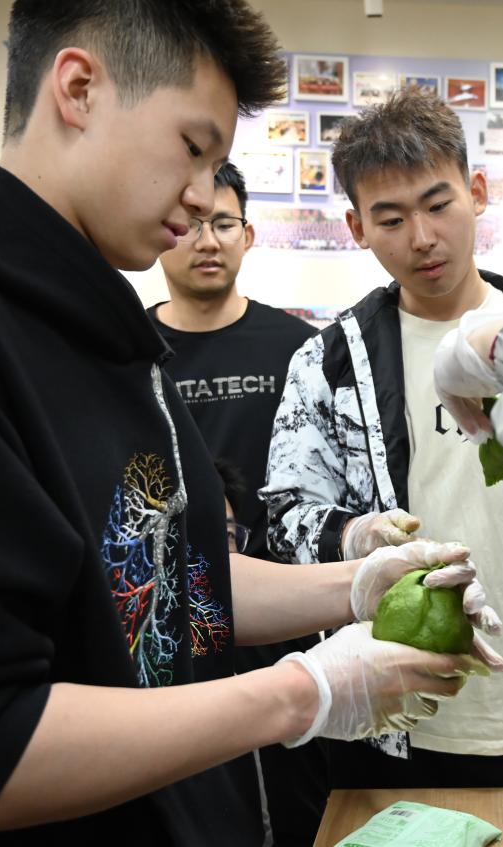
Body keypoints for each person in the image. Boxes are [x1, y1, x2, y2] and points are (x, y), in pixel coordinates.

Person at [0, 3, 502, 844]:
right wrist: (300, 693)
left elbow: (170, 581)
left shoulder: (101, 335)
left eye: (218, 166)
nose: (202, 200)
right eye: (193, 149)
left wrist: (355, 585)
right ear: (78, 89)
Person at [260, 87, 503, 793]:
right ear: (355, 226)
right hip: (391, 717)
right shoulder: (330, 363)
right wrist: (354, 536)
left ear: (478, 191)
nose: (421, 237)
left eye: (438, 204)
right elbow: (286, 518)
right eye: (391, 218)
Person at [150, 161, 326, 846]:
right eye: (192, 224)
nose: (207, 240)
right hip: (172, 635)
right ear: (164, 231)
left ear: (248, 235)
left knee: (298, 810)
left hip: (286, 625)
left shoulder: (300, 350)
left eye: (223, 224)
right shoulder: (130, 352)